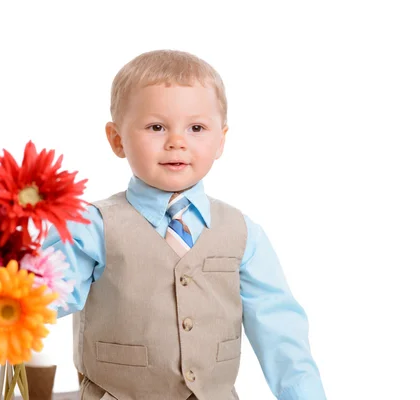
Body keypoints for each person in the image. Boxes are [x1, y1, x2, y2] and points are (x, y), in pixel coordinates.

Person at [43, 49, 326, 400]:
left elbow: (280, 332)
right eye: (156, 127)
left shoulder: (242, 233)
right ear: (117, 139)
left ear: (220, 140)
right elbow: (34, 300)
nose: (177, 141)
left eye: (196, 128)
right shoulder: (90, 227)